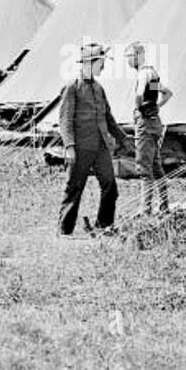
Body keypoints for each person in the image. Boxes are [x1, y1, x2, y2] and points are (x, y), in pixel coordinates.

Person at [57, 42, 131, 237]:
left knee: (110, 186)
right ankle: (64, 231)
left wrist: (124, 139)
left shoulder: (99, 88)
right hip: (80, 147)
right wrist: (70, 146)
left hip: (101, 147)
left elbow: (108, 118)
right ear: (90, 62)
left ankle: (104, 227)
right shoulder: (72, 87)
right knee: (74, 188)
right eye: (101, 62)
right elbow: (65, 119)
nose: (104, 66)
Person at [126, 40, 172, 215]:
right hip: (155, 122)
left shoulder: (142, 75)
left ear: (138, 56)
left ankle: (145, 209)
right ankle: (164, 205)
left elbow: (139, 97)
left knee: (144, 168)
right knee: (155, 166)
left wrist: (139, 109)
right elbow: (167, 93)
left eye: (130, 56)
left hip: (144, 123)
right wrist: (157, 106)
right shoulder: (152, 73)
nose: (128, 61)